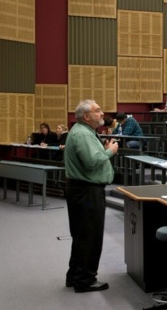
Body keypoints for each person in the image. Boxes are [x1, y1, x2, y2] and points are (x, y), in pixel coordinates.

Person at [64, 99, 119, 292]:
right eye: (98, 110)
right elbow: (92, 161)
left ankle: (75, 276)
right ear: (86, 116)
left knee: (81, 235)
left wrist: (103, 151)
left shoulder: (82, 131)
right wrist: (110, 151)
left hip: (81, 189)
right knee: (90, 236)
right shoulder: (83, 134)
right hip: (87, 191)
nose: (102, 113)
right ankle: (85, 280)